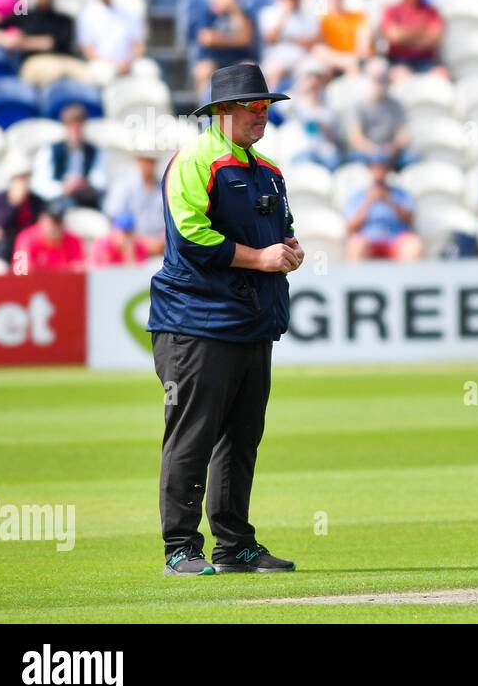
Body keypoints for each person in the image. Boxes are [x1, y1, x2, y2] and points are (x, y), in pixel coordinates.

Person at [147, 63, 304, 577]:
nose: (263, 115)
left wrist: (288, 251)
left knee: (241, 438)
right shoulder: (195, 160)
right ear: (222, 112)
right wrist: (261, 259)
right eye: (254, 107)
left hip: (251, 321)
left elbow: (281, 231)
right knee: (191, 435)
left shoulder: (269, 170)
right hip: (195, 321)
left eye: (267, 107)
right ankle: (180, 548)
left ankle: (234, 545)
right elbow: (191, 237)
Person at [0, 0, 89, 87]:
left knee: (89, 76)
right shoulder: (25, 15)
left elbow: (53, 43)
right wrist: (8, 40)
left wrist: (23, 42)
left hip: (63, 61)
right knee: (55, 72)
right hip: (34, 63)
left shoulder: (64, 20)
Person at [343, 153, 424, 261]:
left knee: (412, 245)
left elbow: (410, 220)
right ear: (370, 169)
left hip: (395, 240)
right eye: (376, 167)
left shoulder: (401, 194)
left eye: (383, 167)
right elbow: (351, 227)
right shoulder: (358, 196)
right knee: (355, 245)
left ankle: (406, 277)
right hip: (369, 240)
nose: (379, 171)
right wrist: (368, 202)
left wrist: (389, 200)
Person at [190, 0, 257, 98]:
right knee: (203, 70)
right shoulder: (206, 11)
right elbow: (207, 39)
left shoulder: (242, 11)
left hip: (237, 59)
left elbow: (247, 38)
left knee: (250, 67)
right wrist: (236, 40)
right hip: (213, 59)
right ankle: (204, 113)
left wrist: (234, 9)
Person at [31, 103, 107, 208]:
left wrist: (84, 184)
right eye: (71, 127)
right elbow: (39, 184)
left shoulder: (95, 151)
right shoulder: (49, 150)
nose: (75, 132)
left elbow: (101, 181)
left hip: (86, 204)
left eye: (78, 127)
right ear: (65, 127)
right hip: (56, 205)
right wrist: (62, 188)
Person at [77, 0, 147, 82]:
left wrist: (129, 62)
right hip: (102, 64)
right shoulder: (88, 14)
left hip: (129, 62)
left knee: (147, 70)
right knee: (102, 74)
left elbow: (139, 44)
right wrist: (114, 64)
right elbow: (88, 50)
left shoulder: (129, 13)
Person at [343, 57, 410, 166]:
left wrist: (392, 147)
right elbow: (355, 138)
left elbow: (403, 135)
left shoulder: (396, 105)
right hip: (366, 153)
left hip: (390, 152)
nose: (380, 82)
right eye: (376, 78)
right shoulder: (357, 105)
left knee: (412, 158)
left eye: (383, 78)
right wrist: (374, 151)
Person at [381, 0, 444, 75]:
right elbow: (394, 37)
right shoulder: (392, 10)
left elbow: (435, 38)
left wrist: (405, 35)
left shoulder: (431, 11)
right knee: (399, 75)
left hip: (426, 61)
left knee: (441, 75)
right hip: (399, 61)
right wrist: (423, 32)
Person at [103, 151, 166, 256]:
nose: (148, 164)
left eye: (151, 160)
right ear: (138, 160)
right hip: (131, 249)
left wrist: (162, 241)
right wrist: (142, 243)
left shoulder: (164, 187)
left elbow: (171, 221)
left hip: (161, 248)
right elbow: (116, 223)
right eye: (145, 159)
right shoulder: (123, 185)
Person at [0, 152, 44, 264]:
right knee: (4, 246)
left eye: (25, 178)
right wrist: (14, 203)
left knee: (24, 253)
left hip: (27, 244)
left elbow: (39, 225)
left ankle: (23, 278)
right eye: (20, 178)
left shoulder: (36, 200)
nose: (23, 182)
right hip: (8, 243)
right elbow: (1, 222)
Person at [12, 200, 84, 273]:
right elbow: (21, 271)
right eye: (51, 221)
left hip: (62, 283)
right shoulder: (25, 238)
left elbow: (78, 270)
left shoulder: (73, 240)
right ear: (41, 219)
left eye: (58, 221)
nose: (55, 226)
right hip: (34, 283)